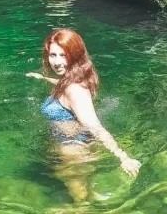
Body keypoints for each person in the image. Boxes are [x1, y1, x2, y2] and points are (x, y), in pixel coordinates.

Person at [27, 28, 141, 196]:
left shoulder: (75, 90)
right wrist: (43, 78)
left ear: (74, 55)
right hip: (73, 144)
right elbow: (64, 87)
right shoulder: (74, 79)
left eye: (63, 55)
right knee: (83, 191)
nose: (57, 62)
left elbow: (95, 126)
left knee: (80, 200)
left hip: (73, 150)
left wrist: (123, 157)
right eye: (53, 55)